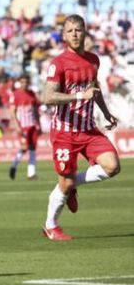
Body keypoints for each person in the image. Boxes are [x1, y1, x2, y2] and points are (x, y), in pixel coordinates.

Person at [41, 15, 120, 241]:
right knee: (64, 184)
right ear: (64, 35)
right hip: (64, 133)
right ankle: (51, 226)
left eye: (79, 29)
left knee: (112, 166)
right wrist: (78, 95)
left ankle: (75, 182)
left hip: (88, 129)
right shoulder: (58, 63)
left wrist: (105, 112)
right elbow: (47, 96)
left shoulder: (94, 60)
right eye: (70, 31)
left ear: (85, 32)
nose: (75, 34)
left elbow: (94, 89)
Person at [9, 74, 41, 180]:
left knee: (32, 148)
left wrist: (38, 124)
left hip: (33, 125)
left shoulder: (32, 94)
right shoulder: (15, 94)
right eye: (22, 82)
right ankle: (14, 165)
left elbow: (36, 111)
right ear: (19, 82)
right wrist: (16, 125)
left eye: (26, 82)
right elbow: (12, 111)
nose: (25, 84)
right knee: (24, 148)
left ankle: (31, 174)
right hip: (23, 126)